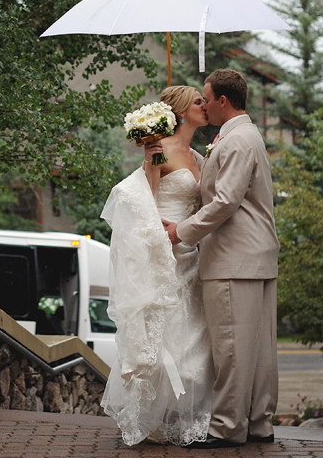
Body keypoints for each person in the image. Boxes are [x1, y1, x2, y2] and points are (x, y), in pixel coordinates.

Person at [162, 69, 280, 449]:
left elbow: (225, 201)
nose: (205, 105)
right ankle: (259, 423)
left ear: (223, 101)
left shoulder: (236, 140)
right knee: (259, 350)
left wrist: (181, 231)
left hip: (234, 258)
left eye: (207, 98)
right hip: (255, 256)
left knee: (231, 347)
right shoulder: (245, 135)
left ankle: (228, 427)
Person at [99, 85, 215, 446]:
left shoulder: (197, 156)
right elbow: (144, 198)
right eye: (198, 102)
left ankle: (188, 418)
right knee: (163, 335)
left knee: (195, 339)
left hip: (191, 252)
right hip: (164, 250)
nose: (205, 106)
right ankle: (155, 419)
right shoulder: (159, 148)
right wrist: (151, 162)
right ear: (180, 111)